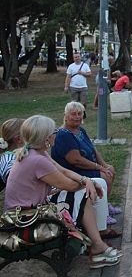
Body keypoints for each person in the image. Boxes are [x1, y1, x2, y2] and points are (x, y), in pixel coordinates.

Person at [4, 115, 122, 268]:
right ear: (45, 138)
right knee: (82, 195)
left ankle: (97, 243)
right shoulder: (37, 160)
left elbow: (64, 171)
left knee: (82, 193)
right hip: (25, 219)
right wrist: (88, 183)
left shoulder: (36, 152)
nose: (56, 133)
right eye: (54, 131)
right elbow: (69, 186)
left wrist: (86, 181)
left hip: (27, 212)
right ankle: (97, 245)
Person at [51, 102, 121, 225]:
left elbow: (93, 149)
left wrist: (104, 165)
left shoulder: (80, 130)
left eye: (80, 113)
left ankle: (104, 204)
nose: (77, 117)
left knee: (110, 170)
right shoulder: (63, 135)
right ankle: (102, 213)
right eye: (73, 114)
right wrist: (99, 168)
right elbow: (76, 160)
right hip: (73, 172)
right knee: (105, 177)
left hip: (85, 167)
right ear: (66, 116)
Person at [0, 118, 25, 184]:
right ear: (19, 139)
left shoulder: (18, 154)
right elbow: (17, 186)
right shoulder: (10, 162)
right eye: (30, 133)